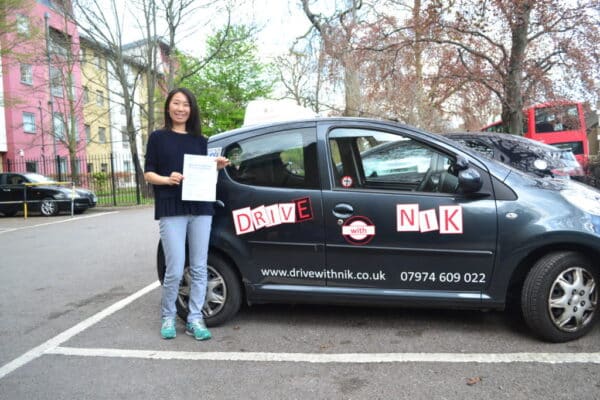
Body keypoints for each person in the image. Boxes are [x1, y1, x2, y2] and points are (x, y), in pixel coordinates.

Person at [144, 87, 229, 341]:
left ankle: (195, 318)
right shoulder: (158, 137)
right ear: (169, 107)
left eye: (186, 104)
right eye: (176, 103)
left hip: (201, 208)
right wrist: (166, 179)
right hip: (172, 208)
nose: (181, 109)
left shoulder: (201, 141)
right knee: (175, 267)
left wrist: (217, 167)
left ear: (192, 110)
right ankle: (168, 316)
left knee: (201, 266)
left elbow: (203, 176)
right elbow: (148, 173)